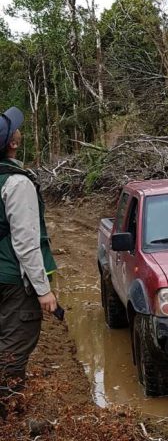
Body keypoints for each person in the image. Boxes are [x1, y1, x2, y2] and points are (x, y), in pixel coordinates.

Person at [0, 107, 58, 414]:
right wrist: (43, 289)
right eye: (16, 129)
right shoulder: (17, 183)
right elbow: (26, 242)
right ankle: (8, 415)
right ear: (12, 143)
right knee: (14, 348)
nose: (19, 130)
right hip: (12, 281)